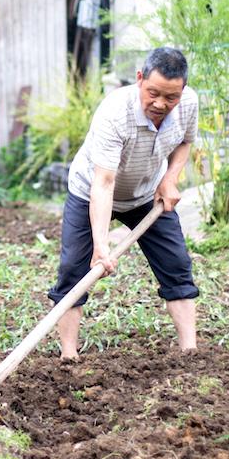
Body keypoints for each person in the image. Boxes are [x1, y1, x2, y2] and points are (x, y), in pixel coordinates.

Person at [47, 46, 199, 360]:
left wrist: (170, 179)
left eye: (171, 97)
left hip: (146, 196)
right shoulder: (115, 112)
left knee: (177, 265)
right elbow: (103, 183)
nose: (160, 104)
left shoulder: (188, 105)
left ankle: (191, 353)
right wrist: (101, 245)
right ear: (139, 79)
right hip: (91, 190)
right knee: (73, 269)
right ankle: (68, 356)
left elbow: (185, 141)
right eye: (153, 93)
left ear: (182, 90)